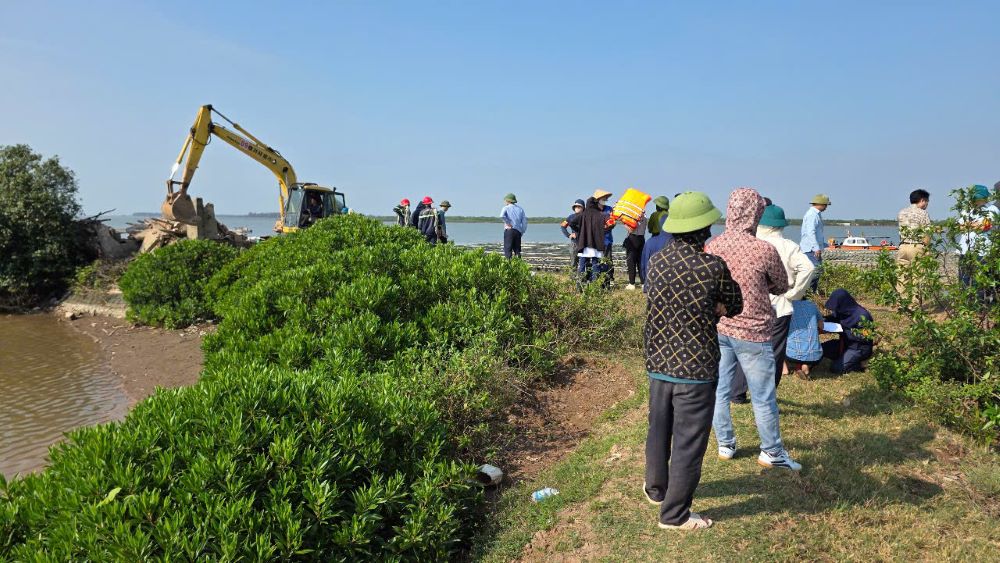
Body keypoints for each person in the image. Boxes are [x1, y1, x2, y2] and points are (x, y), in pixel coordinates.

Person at [643, 191, 742, 531]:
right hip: (696, 367)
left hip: (658, 361)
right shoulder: (713, 266)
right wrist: (718, 307)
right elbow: (736, 302)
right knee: (688, 441)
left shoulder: (657, 260)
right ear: (703, 230)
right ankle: (674, 516)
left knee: (658, 429)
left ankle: (656, 489)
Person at [706, 188, 801, 471]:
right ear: (756, 214)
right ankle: (771, 451)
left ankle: (725, 444)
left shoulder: (712, 245)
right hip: (754, 330)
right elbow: (782, 285)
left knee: (720, 390)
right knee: (763, 396)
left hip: (720, 327)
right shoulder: (763, 249)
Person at [958, 185, 999, 301]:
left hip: (982, 251)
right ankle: (966, 305)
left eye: (977, 198)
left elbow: (985, 226)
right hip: (965, 249)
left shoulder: (992, 209)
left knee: (980, 281)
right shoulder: (966, 210)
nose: (975, 200)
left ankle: (980, 307)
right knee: (964, 279)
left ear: (985, 198)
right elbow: (959, 227)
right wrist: (974, 225)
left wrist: (969, 225)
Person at [569, 190, 614, 288]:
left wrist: (579, 231)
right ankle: (595, 286)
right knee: (595, 265)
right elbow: (612, 224)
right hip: (596, 244)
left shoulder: (583, 214)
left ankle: (579, 285)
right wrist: (603, 231)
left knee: (581, 264)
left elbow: (571, 223)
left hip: (584, 243)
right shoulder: (601, 215)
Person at [822, 289, 874, 374]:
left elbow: (866, 337)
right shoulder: (842, 310)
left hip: (859, 348)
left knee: (836, 369)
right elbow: (833, 318)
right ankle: (845, 358)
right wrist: (821, 320)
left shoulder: (863, 316)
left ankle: (861, 364)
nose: (837, 309)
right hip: (845, 343)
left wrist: (845, 331)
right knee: (819, 349)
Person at [896, 189, 931, 296]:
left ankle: (902, 306)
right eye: (927, 201)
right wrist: (927, 250)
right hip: (917, 247)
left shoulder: (901, 212)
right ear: (922, 200)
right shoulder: (923, 213)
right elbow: (927, 234)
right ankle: (914, 306)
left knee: (902, 278)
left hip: (903, 247)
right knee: (918, 278)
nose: (927, 204)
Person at [640, 196, 672, 290]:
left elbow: (649, 229)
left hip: (655, 238)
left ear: (659, 206)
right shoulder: (670, 215)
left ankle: (649, 282)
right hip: (669, 239)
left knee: (650, 261)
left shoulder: (654, 215)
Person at [800, 194, 830, 293]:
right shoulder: (812, 215)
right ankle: (808, 293)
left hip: (813, 248)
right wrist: (816, 247)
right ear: (820, 204)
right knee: (815, 271)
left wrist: (824, 245)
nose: (826, 207)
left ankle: (811, 292)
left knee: (817, 271)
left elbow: (816, 233)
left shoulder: (815, 214)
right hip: (810, 249)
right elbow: (810, 232)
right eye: (825, 205)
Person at [786, 300, 824, 377]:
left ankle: (784, 370)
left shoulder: (786, 306)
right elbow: (821, 326)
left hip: (791, 356)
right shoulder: (812, 305)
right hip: (816, 356)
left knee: (777, 340)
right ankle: (805, 365)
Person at [623, 208, 649, 290]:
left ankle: (632, 283)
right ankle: (643, 282)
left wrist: (625, 223)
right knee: (641, 261)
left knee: (631, 261)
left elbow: (631, 230)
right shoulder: (645, 219)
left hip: (632, 239)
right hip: (641, 239)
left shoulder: (633, 219)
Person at [501, 193, 527, 259]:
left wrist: (507, 222)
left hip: (509, 230)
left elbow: (502, 216)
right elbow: (524, 222)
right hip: (518, 231)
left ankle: (509, 266)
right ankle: (518, 266)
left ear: (508, 201)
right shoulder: (520, 209)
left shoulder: (506, 208)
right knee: (517, 250)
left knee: (508, 249)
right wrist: (522, 231)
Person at [560, 199, 585, 268]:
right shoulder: (571, 217)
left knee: (584, 263)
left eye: (579, 206)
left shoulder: (586, 217)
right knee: (573, 263)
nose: (577, 208)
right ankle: (573, 278)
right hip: (574, 244)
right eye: (575, 206)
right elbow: (562, 226)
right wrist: (568, 235)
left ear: (583, 208)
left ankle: (583, 278)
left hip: (584, 245)